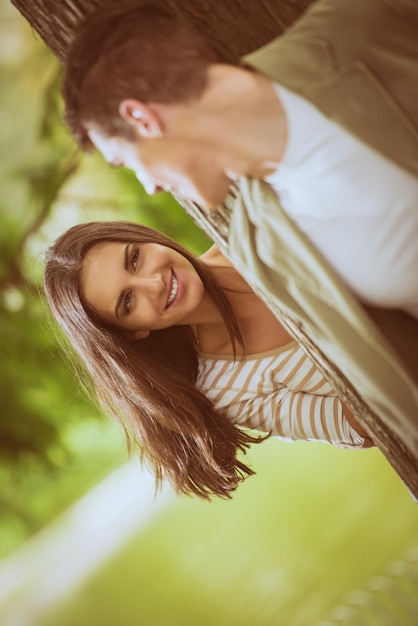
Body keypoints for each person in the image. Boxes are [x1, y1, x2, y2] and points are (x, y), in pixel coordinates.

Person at [60, 0, 418, 456]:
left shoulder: (373, 19)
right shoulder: (262, 241)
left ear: (143, 119)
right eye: (127, 301)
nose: (149, 187)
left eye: (126, 162)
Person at [44, 221, 371, 499]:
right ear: (133, 332)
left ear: (145, 238)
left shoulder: (249, 230)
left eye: (135, 258)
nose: (154, 283)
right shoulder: (227, 390)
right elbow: (370, 428)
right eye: (128, 301)